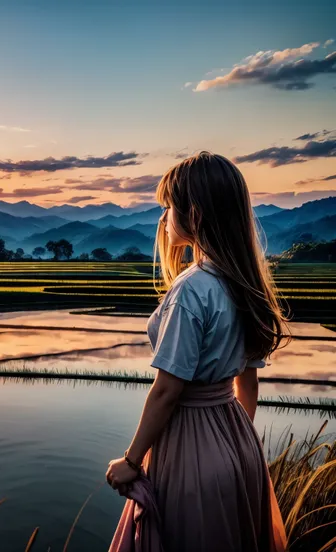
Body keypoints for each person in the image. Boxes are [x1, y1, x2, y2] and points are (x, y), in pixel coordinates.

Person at [106, 152, 289, 552]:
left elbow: (167, 390)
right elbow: (248, 381)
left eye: (169, 207)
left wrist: (131, 462)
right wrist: (232, 442)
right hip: (239, 443)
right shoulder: (242, 282)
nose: (163, 218)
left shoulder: (191, 290)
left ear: (196, 215)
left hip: (190, 445)